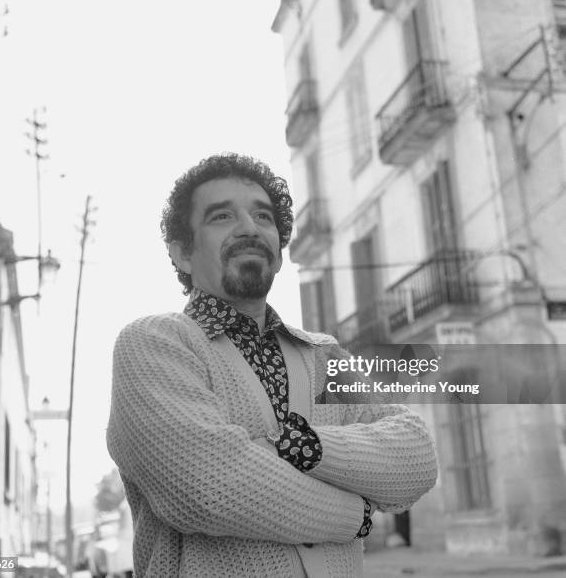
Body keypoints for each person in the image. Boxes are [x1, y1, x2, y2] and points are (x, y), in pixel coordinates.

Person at [107, 153, 438, 577]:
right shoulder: (154, 344)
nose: (249, 227)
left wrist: (303, 447)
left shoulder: (324, 356)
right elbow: (205, 489)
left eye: (263, 216)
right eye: (222, 215)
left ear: (279, 254)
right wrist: (355, 516)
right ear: (182, 254)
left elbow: (416, 458)